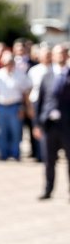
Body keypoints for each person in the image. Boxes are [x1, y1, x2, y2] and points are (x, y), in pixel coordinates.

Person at [35, 44, 69, 200]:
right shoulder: (47, 75)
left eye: (63, 53)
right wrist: (37, 124)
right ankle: (48, 189)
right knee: (49, 160)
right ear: (53, 56)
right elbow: (40, 100)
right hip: (49, 125)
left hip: (67, 125)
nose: (60, 56)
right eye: (57, 53)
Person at [0, 51, 31, 161]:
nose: (8, 65)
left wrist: (24, 108)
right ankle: (3, 154)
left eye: (10, 62)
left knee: (16, 132)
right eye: (6, 62)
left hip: (15, 106)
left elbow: (25, 93)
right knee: (2, 132)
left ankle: (15, 154)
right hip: (1, 107)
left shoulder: (20, 75)